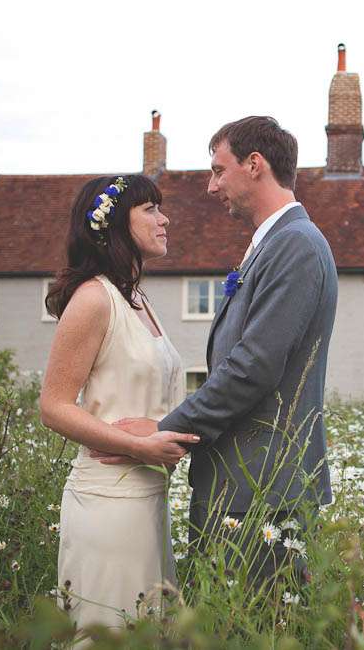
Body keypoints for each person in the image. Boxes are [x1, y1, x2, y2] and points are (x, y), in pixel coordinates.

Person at [93, 116, 338, 587]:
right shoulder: (273, 244)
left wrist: (163, 432)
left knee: (254, 620)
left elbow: (253, 368)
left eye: (219, 170)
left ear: (254, 164)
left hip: (261, 492)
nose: (211, 186)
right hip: (238, 487)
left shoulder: (296, 245)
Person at [39, 174, 200, 639]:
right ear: (113, 224)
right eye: (150, 209)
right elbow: (53, 406)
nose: (164, 219)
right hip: (107, 500)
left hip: (150, 498)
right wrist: (138, 447)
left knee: (151, 632)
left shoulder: (140, 300)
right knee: (110, 632)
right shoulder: (94, 298)